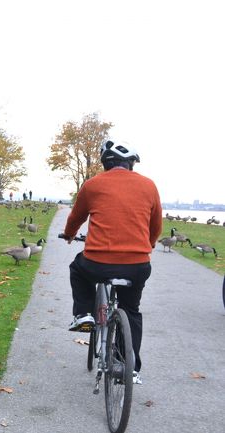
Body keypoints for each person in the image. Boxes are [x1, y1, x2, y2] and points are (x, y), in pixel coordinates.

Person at [61, 138, 162, 385]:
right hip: (137, 265)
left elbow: (76, 217)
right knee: (131, 310)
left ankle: (84, 314)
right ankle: (128, 367)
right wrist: (146, 245)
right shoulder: (149, 186)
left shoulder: (92, 185)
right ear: (130, 164)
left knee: (77, 267)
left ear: (106, 164)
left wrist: (70, 234)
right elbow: (156, 225)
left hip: (97, 263)